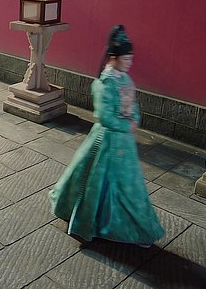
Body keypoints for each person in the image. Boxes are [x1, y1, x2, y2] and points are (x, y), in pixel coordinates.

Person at [49, 25, 164, 247]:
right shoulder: (104, 83)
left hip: (124, 142)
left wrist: (134, 119)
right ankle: (106, 225)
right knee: (101, 183)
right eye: (126, 58)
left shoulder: (125, 80)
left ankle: (135, 227)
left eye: (131, 58)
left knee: (129, 186)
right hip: (107, 140)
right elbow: (105, 117)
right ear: (113, 58)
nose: (130, 62)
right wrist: (127, 124)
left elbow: (134, 106)